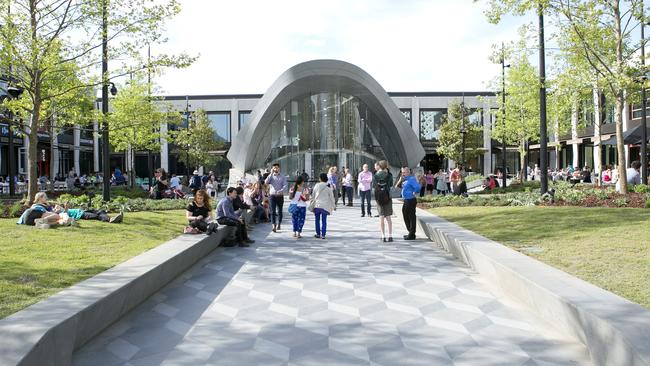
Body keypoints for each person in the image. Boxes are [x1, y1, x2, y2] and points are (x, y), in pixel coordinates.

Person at [396, 166, 421, 241]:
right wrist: (400, 180)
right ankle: (410, 232)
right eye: (402, 172)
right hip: (406, 200)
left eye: (404, 172)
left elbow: (418, 186)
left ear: (408, 172)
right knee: (405, 215)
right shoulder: (405, 179)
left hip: (411, 200)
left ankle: (412, 234)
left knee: (411, 216)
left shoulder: (411, 179)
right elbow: (397, 186)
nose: (402, 174)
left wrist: (414, 191)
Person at [373, 160, 394, 242]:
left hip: (379, 198)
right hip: (387, 197)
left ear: (379, 166)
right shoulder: (389, 175)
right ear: (386, 166)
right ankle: (390, 236)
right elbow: (391, 185)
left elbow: (374, 186)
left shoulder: (376, 175)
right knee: (388, 217)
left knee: (381, 217)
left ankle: (383, 236)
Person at [311, 173, 335, 239]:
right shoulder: (328, 186)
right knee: (324, 220)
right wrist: (334, 206)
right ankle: (323, 235)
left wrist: (311, 203)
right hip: (325, 206)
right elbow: (332, 197)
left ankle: (318, 234)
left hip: (317, 205)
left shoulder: (316, 185)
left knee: (317, 220)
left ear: (320, 178)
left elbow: (313, 196)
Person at [265, 163, 287, 232]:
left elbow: (285, 185)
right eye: (274, 168)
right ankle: (273, 225)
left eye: (277, 167)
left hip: (280, 196)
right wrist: (270, 174)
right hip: (272, 196)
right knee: (272, 211)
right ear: (272, 169)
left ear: (279, 168)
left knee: (280, 211)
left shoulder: (283, 176)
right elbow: (266, 182)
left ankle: (279, 223)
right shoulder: (271, 176)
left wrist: (281, 191)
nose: (276, 169)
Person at [55, 203, 123, 224]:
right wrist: (66, 208)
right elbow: (65, 213)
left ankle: (115, 219)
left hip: (83, 211)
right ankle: (110, 219)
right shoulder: (61, 213)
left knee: (100, 211)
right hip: (81, 215)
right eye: (55, 208)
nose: (57, 207)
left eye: (58, 206)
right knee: (96, 216)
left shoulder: (64, 209)